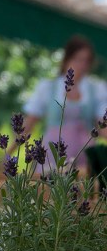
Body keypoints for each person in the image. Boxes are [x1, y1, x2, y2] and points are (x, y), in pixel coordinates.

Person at [23, 35, 107, 168]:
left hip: (83, 157)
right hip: (52, 155)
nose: (83, 65)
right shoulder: (48, 87)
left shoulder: (96, 89)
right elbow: (29, 123)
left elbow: (102, 126)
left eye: (87, 61)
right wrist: (8, 153)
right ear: (67, 59)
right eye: (78, 59)